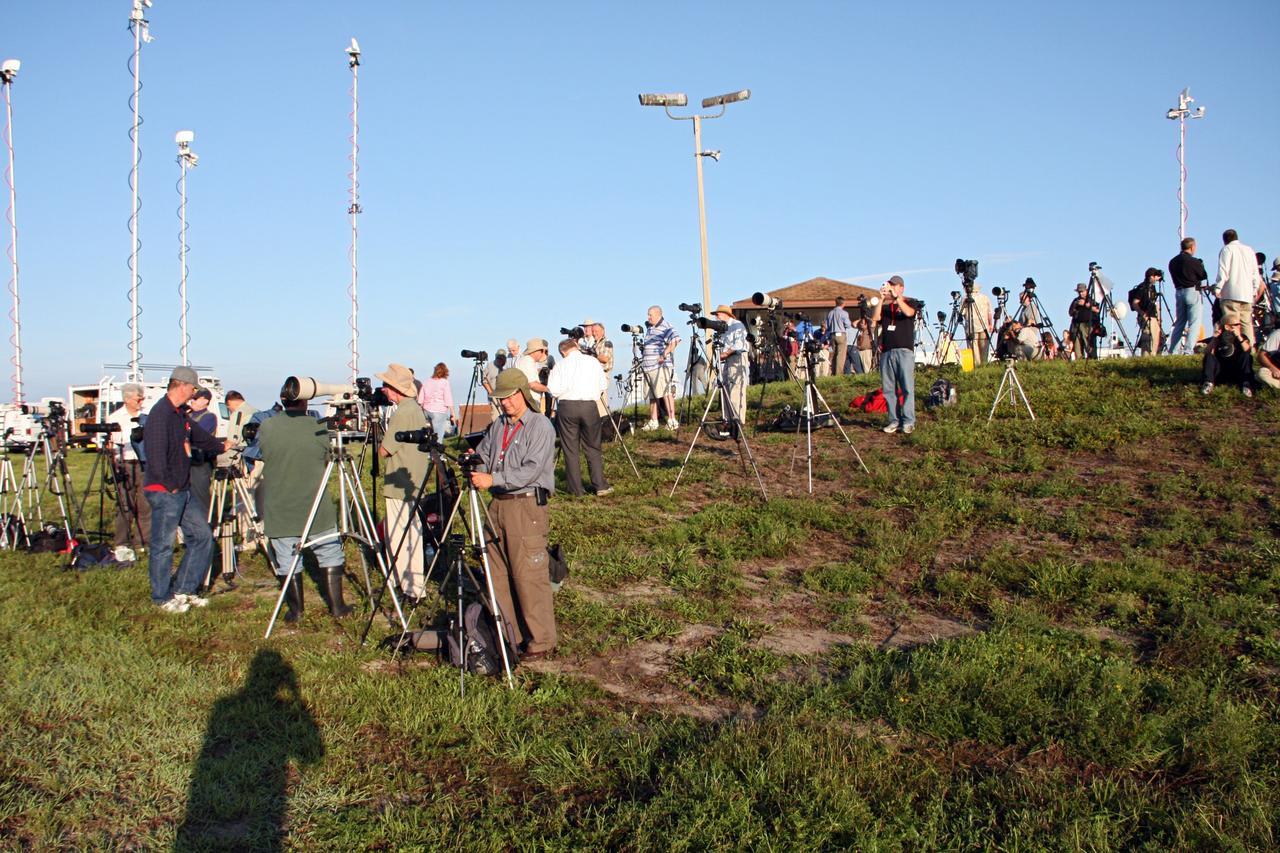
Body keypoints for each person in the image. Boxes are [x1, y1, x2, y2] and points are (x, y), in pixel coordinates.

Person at [466, 370, 557, 659]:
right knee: (497, 575)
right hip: (497, 506)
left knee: (528, 576)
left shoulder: (540, 426)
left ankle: (541, 640)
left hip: (526, 506)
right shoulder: (497, 426)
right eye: (500, 398)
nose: (504, 403)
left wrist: (492, 479)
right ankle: (510, 637)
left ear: (522, 394)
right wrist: (475, 466)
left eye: (508, 397)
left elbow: (530, 470)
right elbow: (484, 455)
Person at [257, 391, 353, 622]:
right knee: (329, 552)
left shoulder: (267, 426)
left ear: (283, 400)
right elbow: (325, 455)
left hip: (280, 505)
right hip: (315, 503)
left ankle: (296, 610)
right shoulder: (317, 425)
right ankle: (337, 607)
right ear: (305, 400)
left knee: (287, 559)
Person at [142, 366, 229, 613]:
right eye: (193, 388)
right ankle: (161, 597)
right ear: (181, 385)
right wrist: (169, 486)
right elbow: (156, 455)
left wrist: (220, 445)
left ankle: (185, 589)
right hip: (166, 490)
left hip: (183, 488)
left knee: (201, 536)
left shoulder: (179, 414)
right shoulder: (161, 414)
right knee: (163, 545)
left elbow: (199, 436)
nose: (194, 394)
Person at [376, 364, 429, 601]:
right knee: (411, 533)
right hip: (413, 479)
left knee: (399, 535)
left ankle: (409, 588)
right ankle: (414, 585)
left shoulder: (402, 412)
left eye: (387, 386)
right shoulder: (415, 409)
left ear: (395, 389)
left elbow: (385, 450)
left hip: (399, 481)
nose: (384, 390)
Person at [547, 338, 611, 497]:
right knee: (592, 447)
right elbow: (603, 386)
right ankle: (600, 485)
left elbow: (553, 390)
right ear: (576, 346)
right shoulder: (592, 361)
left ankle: (576, 489)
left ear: (563, 352)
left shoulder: (560, 365)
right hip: (589, 405)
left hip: (567, 406)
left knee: (570, 449)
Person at [104, 382, 150, 550]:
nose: (141, 402)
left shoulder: (145, 416)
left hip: (143, 463)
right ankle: (122, 542)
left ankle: (143, 542)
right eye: (139, 399)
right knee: (125, 504)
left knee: (145, 504)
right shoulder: (115, 418)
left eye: (142, 399)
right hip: (123, 463)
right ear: (127, 399)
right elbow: (109, 444)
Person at [871, 275, 916, 433]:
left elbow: (909, 313)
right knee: (889, 389)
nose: (892, 288)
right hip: (887, 351)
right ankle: (893, 420)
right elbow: (875, 319)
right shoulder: (885, 308)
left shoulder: (910, 302)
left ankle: (909, 420)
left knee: (907, 388)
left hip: (904, 351)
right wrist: (881, 298)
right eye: (890, 285)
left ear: (901, 288)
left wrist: (897, 298)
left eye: (895, 286)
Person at [1212, 229, 1265, 343]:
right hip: (1247, 294)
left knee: (1231, 322)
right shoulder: (1249, 250)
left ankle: (1233, 348)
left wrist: (1218, 288)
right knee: (1247, 323)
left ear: (1225, 240)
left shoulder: (1227, 249)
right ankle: (1249, 348)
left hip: (1230, 293)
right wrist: (1254, 290)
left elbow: (1224, 271)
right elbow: (1255, 273)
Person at [640, 305, 681, 431]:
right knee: (653, 395)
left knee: (665, 392)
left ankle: (672, 420)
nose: (648, 317)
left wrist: (664, 354)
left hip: (660, 367)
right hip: (649, 368)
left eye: (650, 314)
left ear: (658, 314)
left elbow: (676, 340)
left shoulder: (665, 326)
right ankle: (654, 420)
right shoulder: (650, 329)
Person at [1167, 236, 1208, 355]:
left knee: (1180, 322)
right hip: (1192, 291)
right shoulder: (1193, 261)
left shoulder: (1173, 262)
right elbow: (1203, 276)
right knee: (1194, 322)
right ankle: (1188, 350)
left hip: (1179, 291)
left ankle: (1173, 351)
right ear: (1192, 247)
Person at [712, 305, 749, 429]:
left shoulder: (737, 325)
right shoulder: (723, 329)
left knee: (736, 389)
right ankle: (728, 419)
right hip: (727, 360)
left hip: (737, 358)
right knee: (726, 388)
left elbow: (739, 344)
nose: (716, 317)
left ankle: (737, 420)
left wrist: (726, 353)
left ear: (725, 314)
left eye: (718, 314)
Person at [1201, 319, 1254, 397]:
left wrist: (1239, 336)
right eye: (1236, 324)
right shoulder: (1217, 338)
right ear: (1227, 326)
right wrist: (1215, 338)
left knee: (1246, 356)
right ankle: (1208, 383)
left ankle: (1246, 384)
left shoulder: (1242, 337)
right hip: (1220, 371)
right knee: (1209, 356)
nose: (1239, 326)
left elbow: (1248, 350)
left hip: (1236, 371)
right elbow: (1207, 353)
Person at [187, 389, 218, 521]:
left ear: (205, 401)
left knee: (200, 497)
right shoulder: (188, 416)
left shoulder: (209, 417)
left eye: (195, 399)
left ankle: (206, 527)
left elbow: (197, 435)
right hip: (187, 462)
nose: (191, 401)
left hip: (201, 462)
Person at [416, 362, 458, 440]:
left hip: (427, 410)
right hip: (439, 410)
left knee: (432, 433)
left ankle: (431, 450)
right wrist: (453, 413)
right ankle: (437, 451)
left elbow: (420, 399)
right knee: (438, 435)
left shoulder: (426, 382)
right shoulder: (444, 382)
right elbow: (448, 398)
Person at [1129, 268, 1164, 356]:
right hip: (1145, 316)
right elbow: (1135, 303)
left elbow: (1155, 303)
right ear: (1151, 276)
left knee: (1156, 337)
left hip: (1153, 316)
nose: (1157, 279)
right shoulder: (1143, 287)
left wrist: (1158, 317)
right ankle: (1146, 358)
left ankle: (1153, 356)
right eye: (1156, 277)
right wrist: (1142, 313)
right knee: (1148, 337)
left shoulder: (1152, 288)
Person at [513, 338, 550, 413]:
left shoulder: (525, 361)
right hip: (529, 402)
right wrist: (549, 390)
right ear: (539, 351)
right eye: (543, 351)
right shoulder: (527, 362)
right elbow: (532, 384)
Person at [961, 283, 994, 365]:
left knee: (974, 347)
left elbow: (962, 312)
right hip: (984, 325)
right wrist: (990, 324)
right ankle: (984, 364)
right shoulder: (985, 297)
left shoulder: (965, 298)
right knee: (984, 347)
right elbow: (989, 312)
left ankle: (976, 365)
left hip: (971, 326)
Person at [1067, 284, 1100, 360]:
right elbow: (1070, 313)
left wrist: (1085, 304)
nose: (1080, 293)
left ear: (1086, 291)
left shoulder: (1092, 300)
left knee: (1089, 347)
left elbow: (1097, 310)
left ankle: (1092, 362)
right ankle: (1079, 363)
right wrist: (1075, 306)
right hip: (1076, 325)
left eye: (1082, 291)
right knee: (1077, 348)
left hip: (1087, 326)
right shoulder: (1075, 300)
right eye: (1079, 292)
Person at [826, 297, 854, 376]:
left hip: (832, 335)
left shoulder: (830, 313)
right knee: (841, 355)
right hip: (841, 334)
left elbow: (828, 326)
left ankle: (833, 373)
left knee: (834, 354)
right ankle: (839, 374)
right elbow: (848, 325)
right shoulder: (844, 313)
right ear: (843, 303)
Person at [482, 349, 507, 420]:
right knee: (497, 418)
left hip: (504, 396)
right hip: (494, 397)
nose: (500, 360)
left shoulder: (505, 367)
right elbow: (484, 381)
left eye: (502, 358)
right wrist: (492, 394)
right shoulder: (490, 366)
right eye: (498, 358)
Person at [1255, 324, 1280, 391]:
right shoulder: (1278, 334)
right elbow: (1261, 356)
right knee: (1262, 373)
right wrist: (1272, 368)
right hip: (1277, 371)